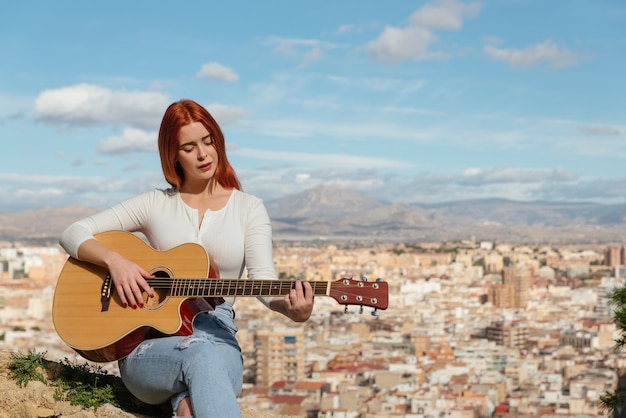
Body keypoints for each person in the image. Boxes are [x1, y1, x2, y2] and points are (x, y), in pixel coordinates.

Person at [59, 99, 315, 418]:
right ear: (173, 155)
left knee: (195, 394)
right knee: (198, 354)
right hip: (150, 345)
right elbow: (73, 232)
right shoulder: (155, 204)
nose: (203, 154)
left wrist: (293, 311)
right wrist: (116, 262)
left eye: (208, 141)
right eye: (189, 147)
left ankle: (182, 403)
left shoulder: (249, 208)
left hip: (218, 333)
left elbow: (264, 282)